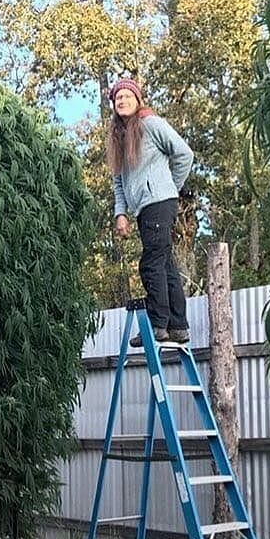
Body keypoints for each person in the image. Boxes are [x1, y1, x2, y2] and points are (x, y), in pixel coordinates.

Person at [107, 78, 193, 347]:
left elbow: (184, 154)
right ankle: (178, 326)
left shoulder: (150, 124)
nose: (122, 101)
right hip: (144, 208)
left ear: (137, 99)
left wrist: (169, 188)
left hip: (159, 202)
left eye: (127, 96)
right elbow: (119, 182)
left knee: (151, 263)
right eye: (118, 98)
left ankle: (157, 324)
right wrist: (120, 213)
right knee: (165, 263)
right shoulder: (119, 137)